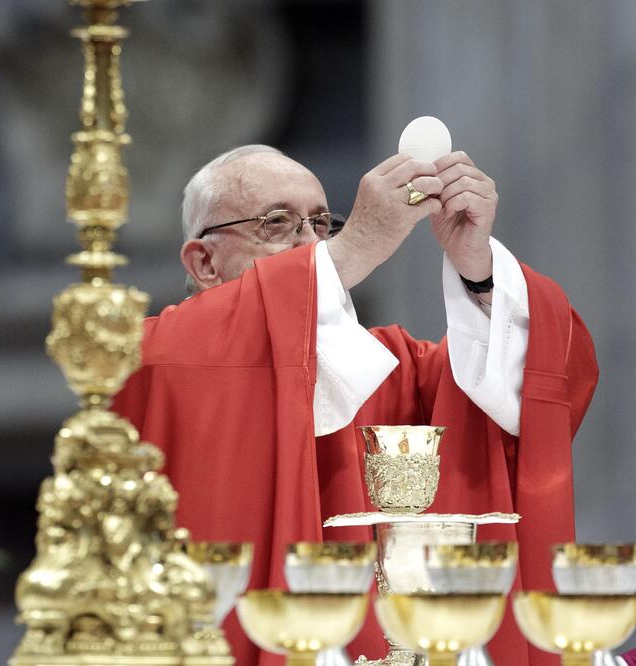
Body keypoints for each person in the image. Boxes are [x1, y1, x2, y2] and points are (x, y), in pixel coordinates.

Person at [113, 145, 599, 666]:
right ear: (204, 261)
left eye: (324, 226)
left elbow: (548, 383)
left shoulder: (393, 368)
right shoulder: (154, 357)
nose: (311, 244)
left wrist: (478, 268)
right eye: (278, 223)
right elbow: (185, 357)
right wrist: (359, 243)